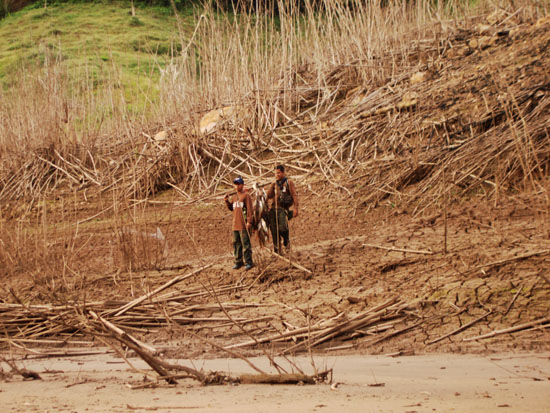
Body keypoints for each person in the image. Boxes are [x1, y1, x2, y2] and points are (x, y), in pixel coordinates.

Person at [266, 165, 299, 254]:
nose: (277, 175)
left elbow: (294, 196)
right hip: (273, 210)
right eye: (275, 173)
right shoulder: (274, 184)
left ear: (283, 173)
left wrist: (295, 208)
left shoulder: (288, 182)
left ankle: (286, 242)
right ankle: (277, 250)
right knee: (274, 231)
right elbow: (268, 196)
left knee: (283, 228)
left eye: (278, 173)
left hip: (282, 210)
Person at [224, 177, 254, 270]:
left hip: (243, 224)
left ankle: (248, 262)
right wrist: (226, 201)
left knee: (245, 244)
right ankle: (238, 261)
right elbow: (232, 208)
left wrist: (249, 221)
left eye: (238, 184)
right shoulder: (234, 196)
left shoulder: (246, 196)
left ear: (242, 185)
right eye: (235, 184)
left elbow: (250, 209)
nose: (237, 186)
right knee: (236, 243)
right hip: (235, 224)